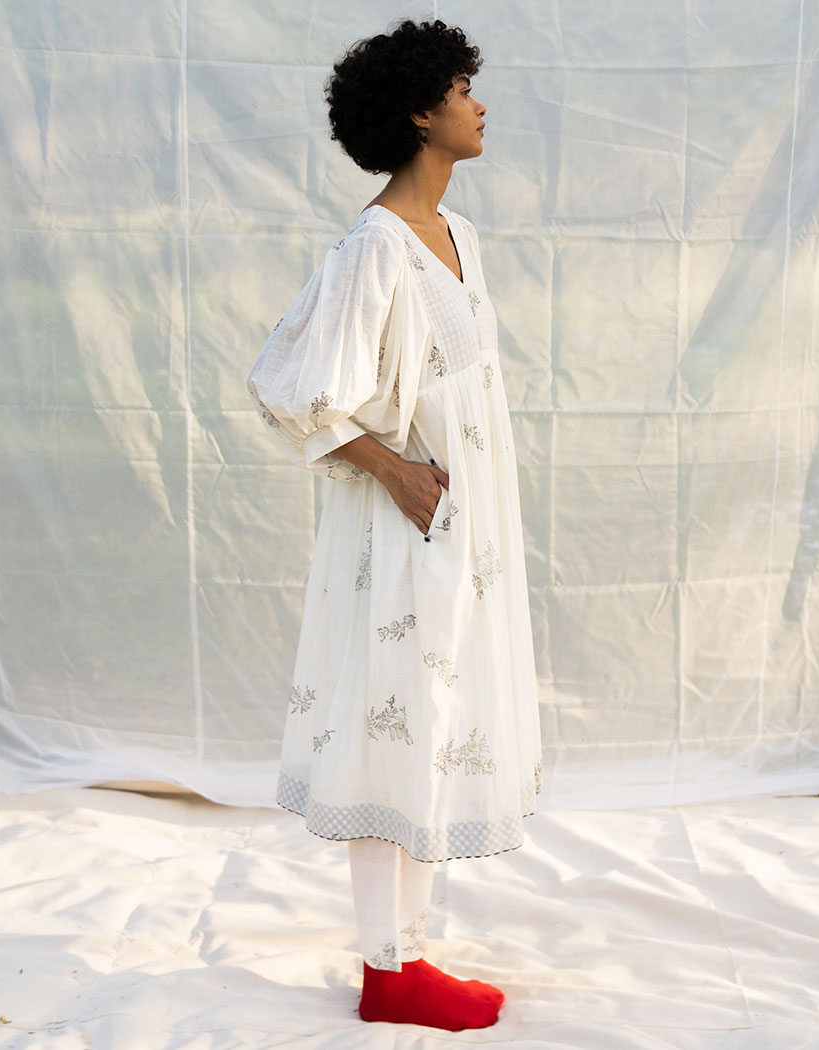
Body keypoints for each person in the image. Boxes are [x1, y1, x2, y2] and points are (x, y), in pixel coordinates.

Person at [246, 18, 543, 1032]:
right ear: (420, 111)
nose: (479, 104)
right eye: (462, 90)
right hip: (402, 536)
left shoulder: (460, 238)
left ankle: (409, 954)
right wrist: (395, 471)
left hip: (463, 538)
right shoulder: (372, 248)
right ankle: (387, 970)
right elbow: (288, 385)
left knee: (432, 730)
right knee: (393, 730)